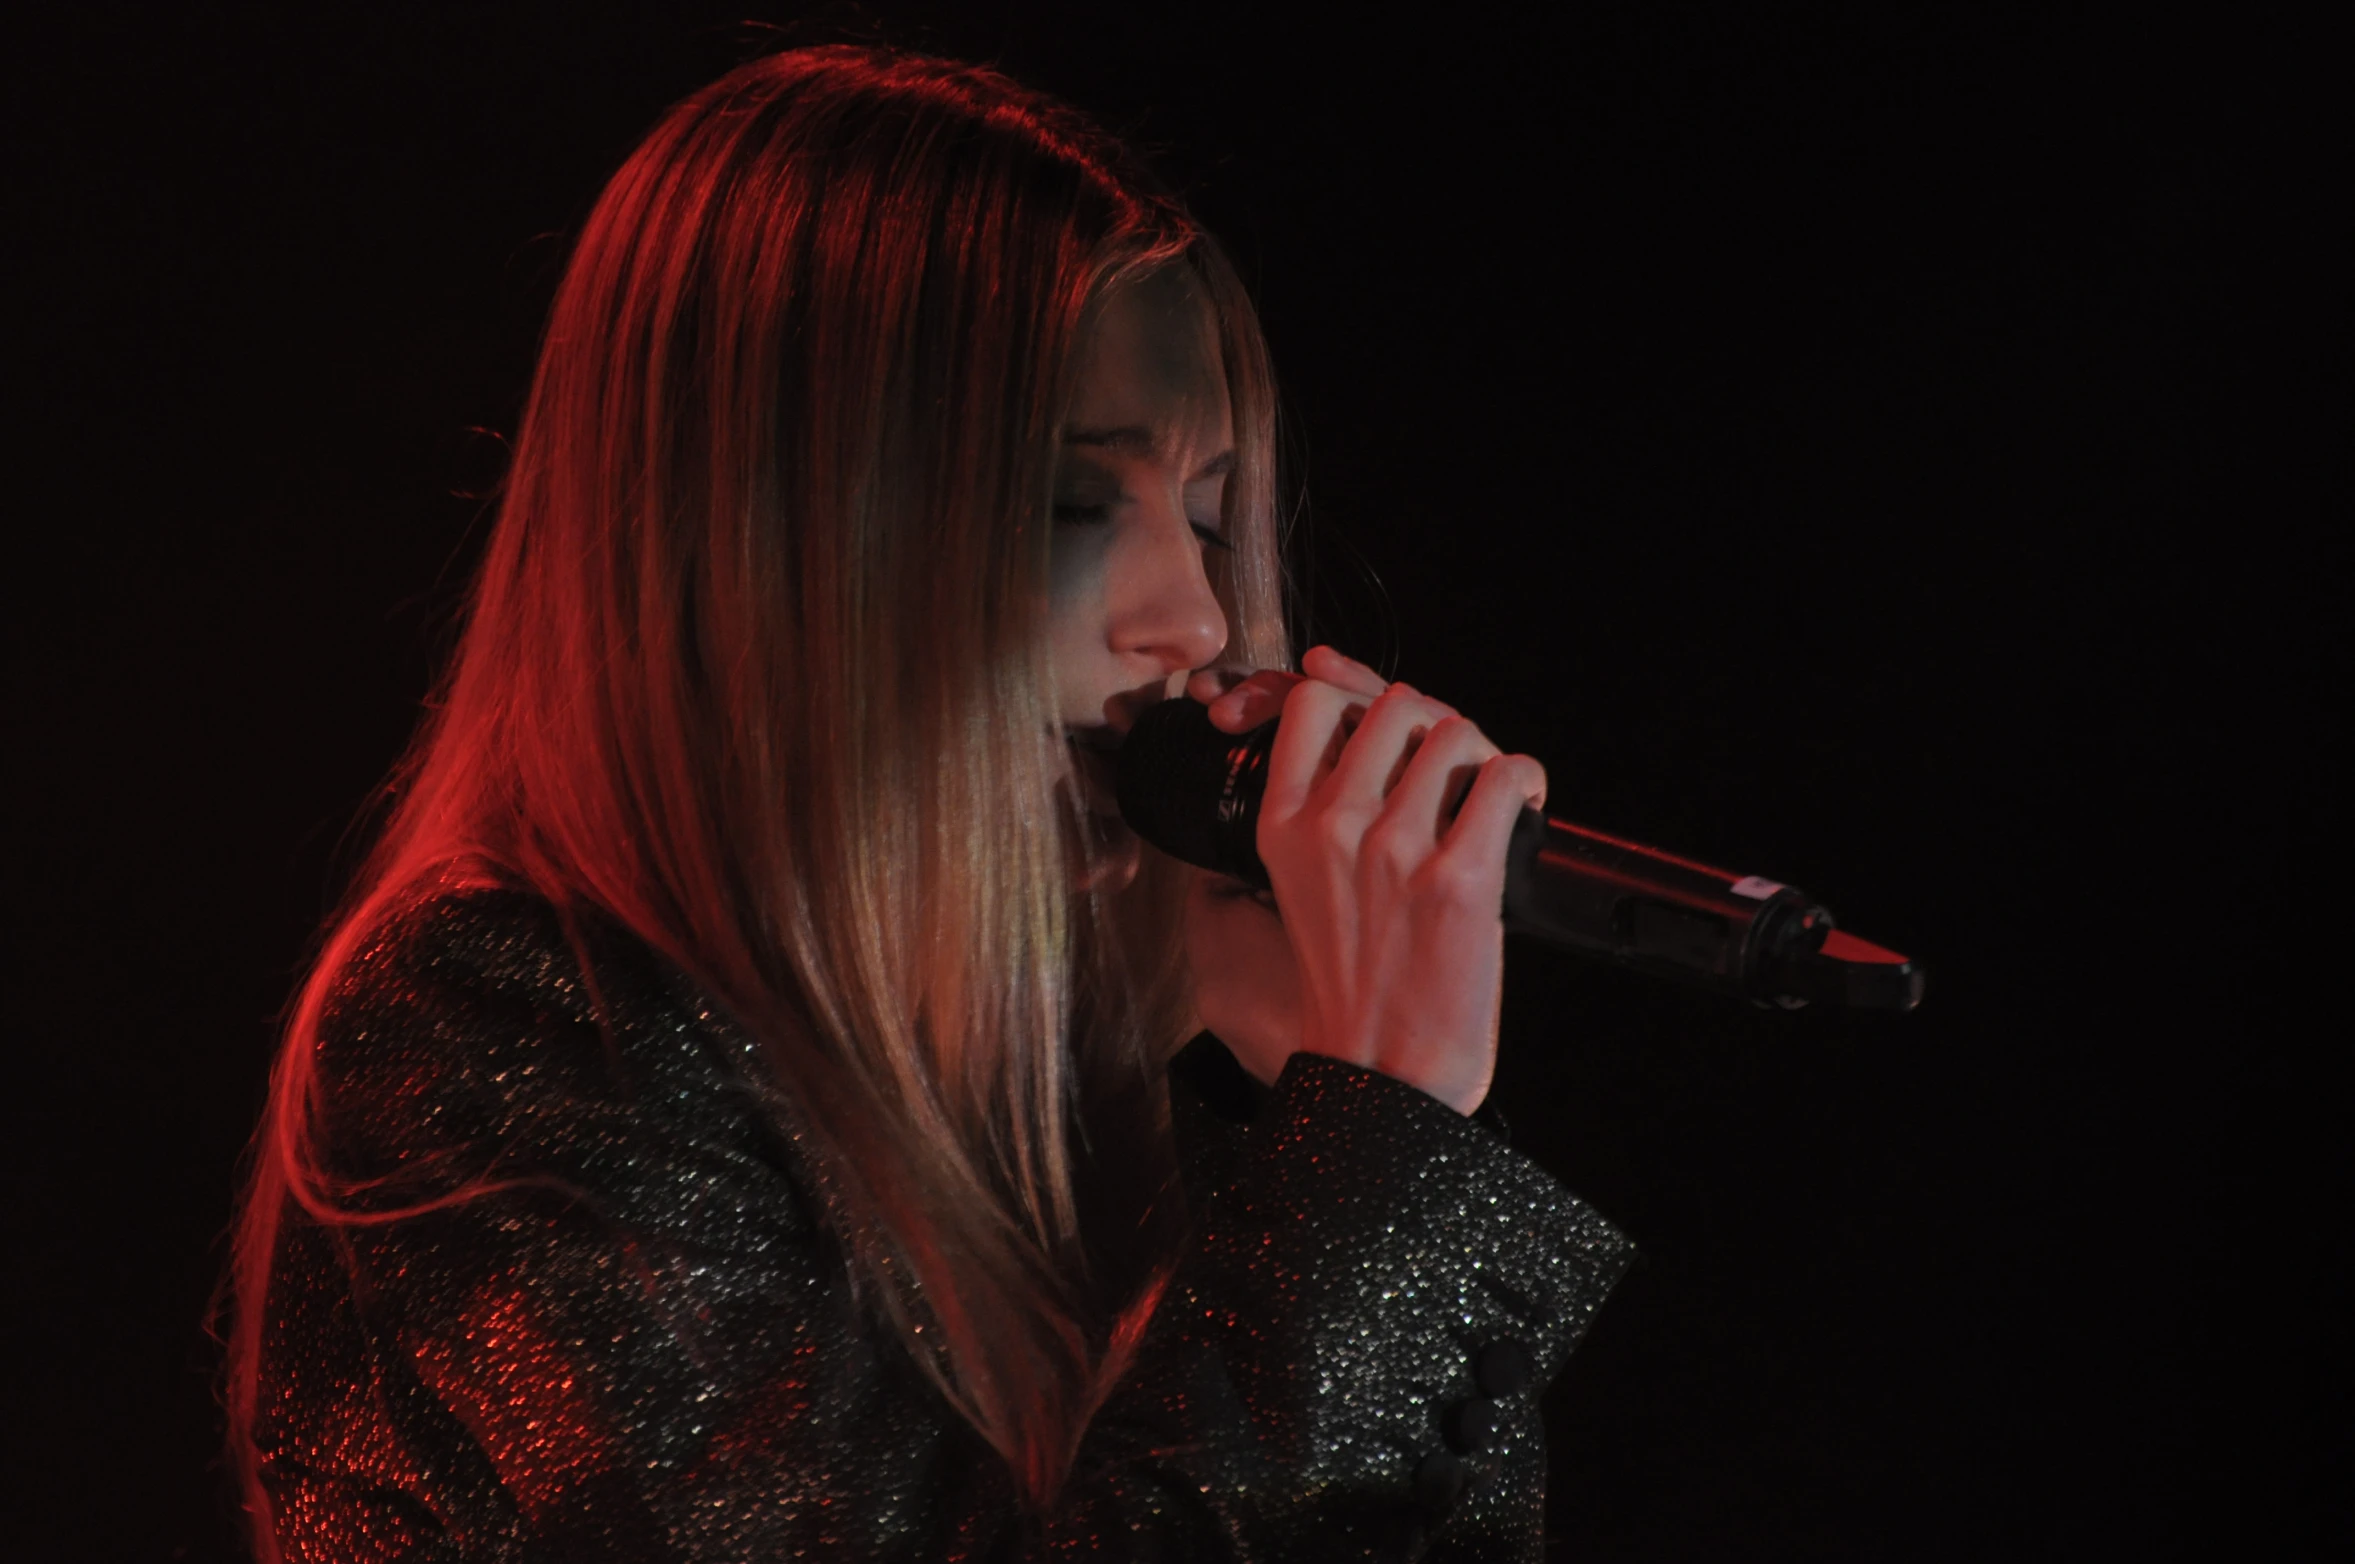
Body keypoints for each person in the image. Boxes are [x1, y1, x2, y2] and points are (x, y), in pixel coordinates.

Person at [223, 45, 1632, 1562]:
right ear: (781, 540)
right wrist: (1375, 1138)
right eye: (1073, 506)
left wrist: (1302, 1121)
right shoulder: (505, 1020)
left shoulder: (1137, 1094)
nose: (1199, 622)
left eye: (1216, 516)